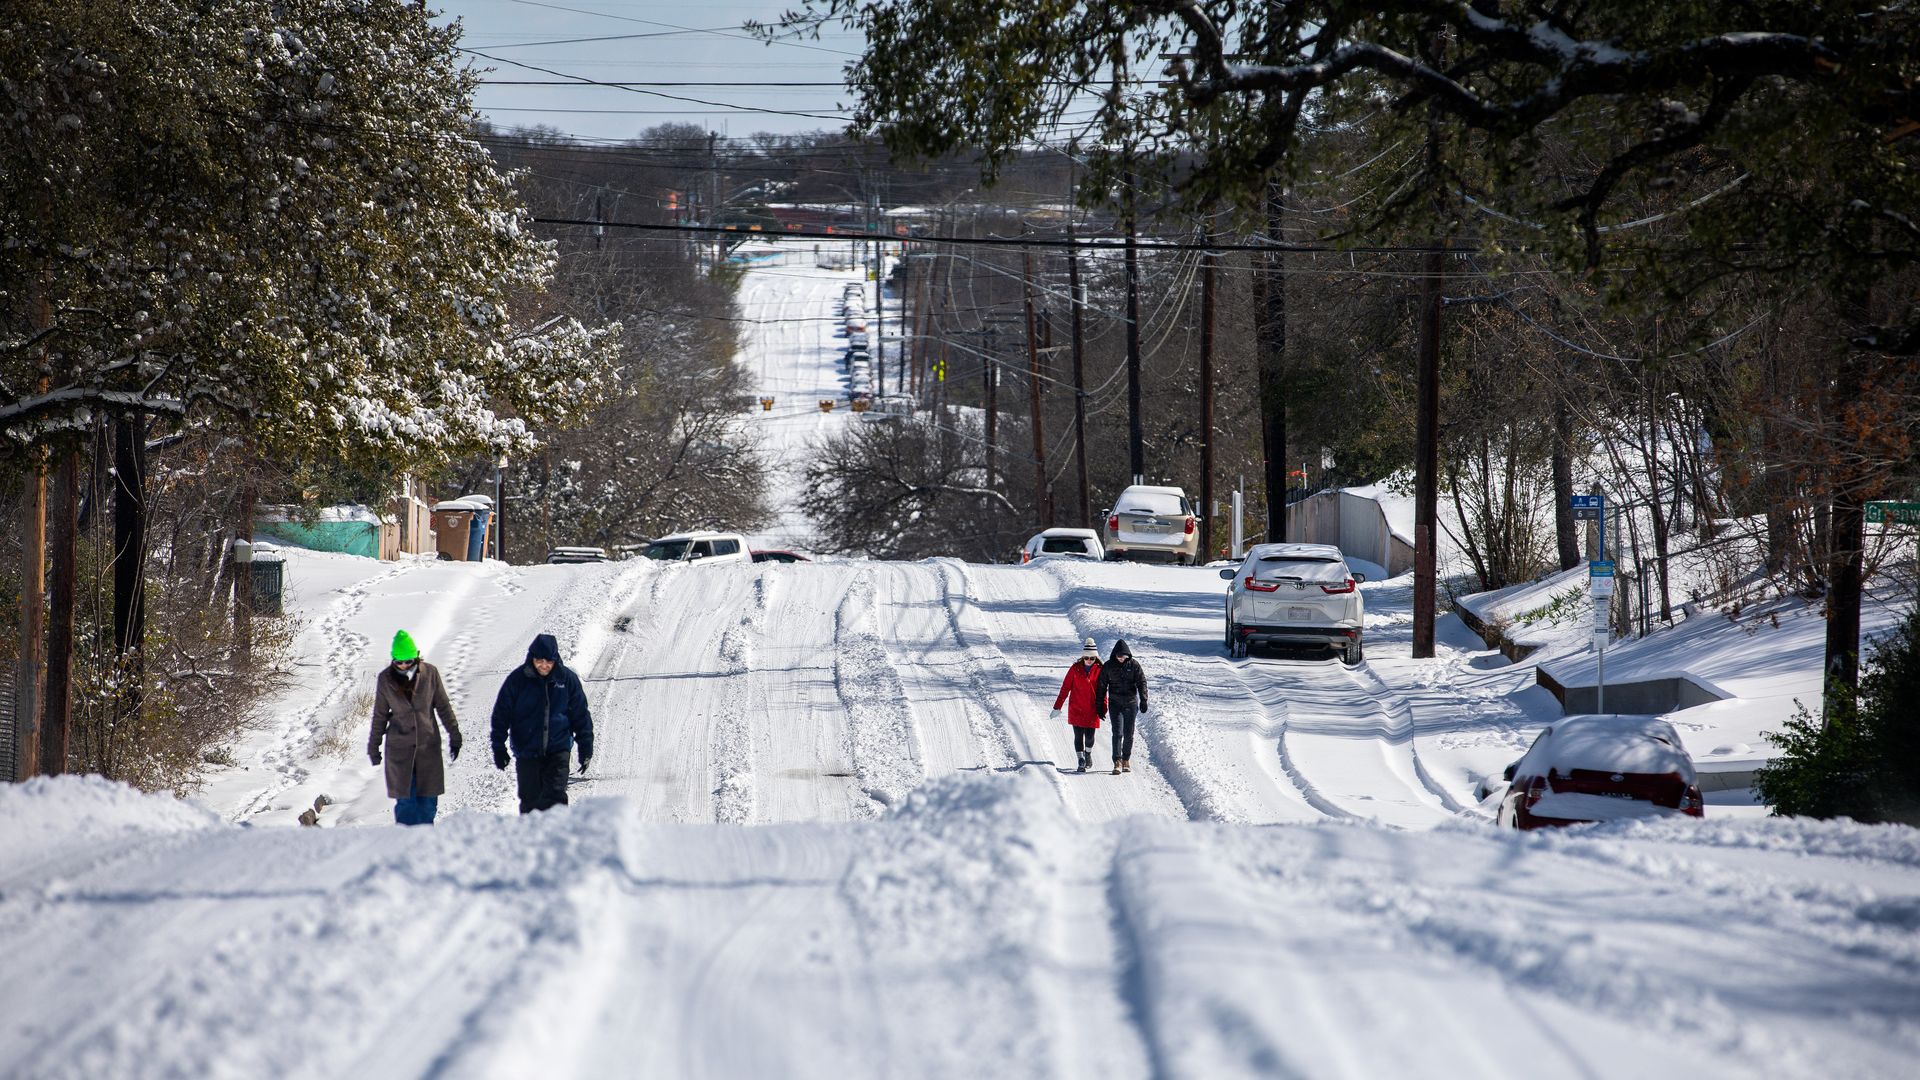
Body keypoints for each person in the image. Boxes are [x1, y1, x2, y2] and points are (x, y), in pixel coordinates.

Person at [490, 633, 594, 814]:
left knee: (555, 798)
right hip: (527, 751)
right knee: (531, 801)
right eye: (539, 660)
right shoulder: (517, 681)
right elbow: (501, 715)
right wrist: (499, 747)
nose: (543, 665)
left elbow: (581, 716)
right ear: (532, 658)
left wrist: (586, 748)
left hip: (558, 749)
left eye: (549, 661)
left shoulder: (566, 680)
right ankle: (530, 840)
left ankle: (556, 838)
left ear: (555, 660)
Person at [368, 629, 461, 826]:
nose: (403, 665)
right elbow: (380, 715)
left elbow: (443, 706)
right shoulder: (385, 679)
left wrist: (455, 735)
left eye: (408, 661)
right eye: (399, 661)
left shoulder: (430, 674)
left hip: (428, 748)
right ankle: (405, 845)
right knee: (407, 804)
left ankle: (425, 846)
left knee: (428, 804)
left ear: (416, 657)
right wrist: (373, 747)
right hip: (400, 751)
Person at [1051, 636, 1105, 773]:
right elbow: (1065, 688)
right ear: (1082, 657)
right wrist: (1057, 706)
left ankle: (1088, 753)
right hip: (1077, 707)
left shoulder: (1100, 670)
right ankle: (1080, 760)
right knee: (1078, 735)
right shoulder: (1075, 669)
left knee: (1090, 737)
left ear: (1095, 659)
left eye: (1092, 658)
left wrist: (1103, 707)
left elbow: (1103, 691)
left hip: (1092, 709)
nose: (1089, 660)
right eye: (1086, 658)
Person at [1096, 639, 1148, 775]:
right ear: (1114, 655)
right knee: (1117, 733)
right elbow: (1101, 686)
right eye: (1118, 656)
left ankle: (1126, 759)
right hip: (1116, 704)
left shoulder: (1134, 665)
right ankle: (1117, 761)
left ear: (1127, 655)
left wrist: (1143, 700)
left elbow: (1142, 682)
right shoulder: (1108, 666)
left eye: (1123, 656)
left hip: (1131, 703)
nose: (1120, 658)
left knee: (1129, 734)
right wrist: (1100, 705)